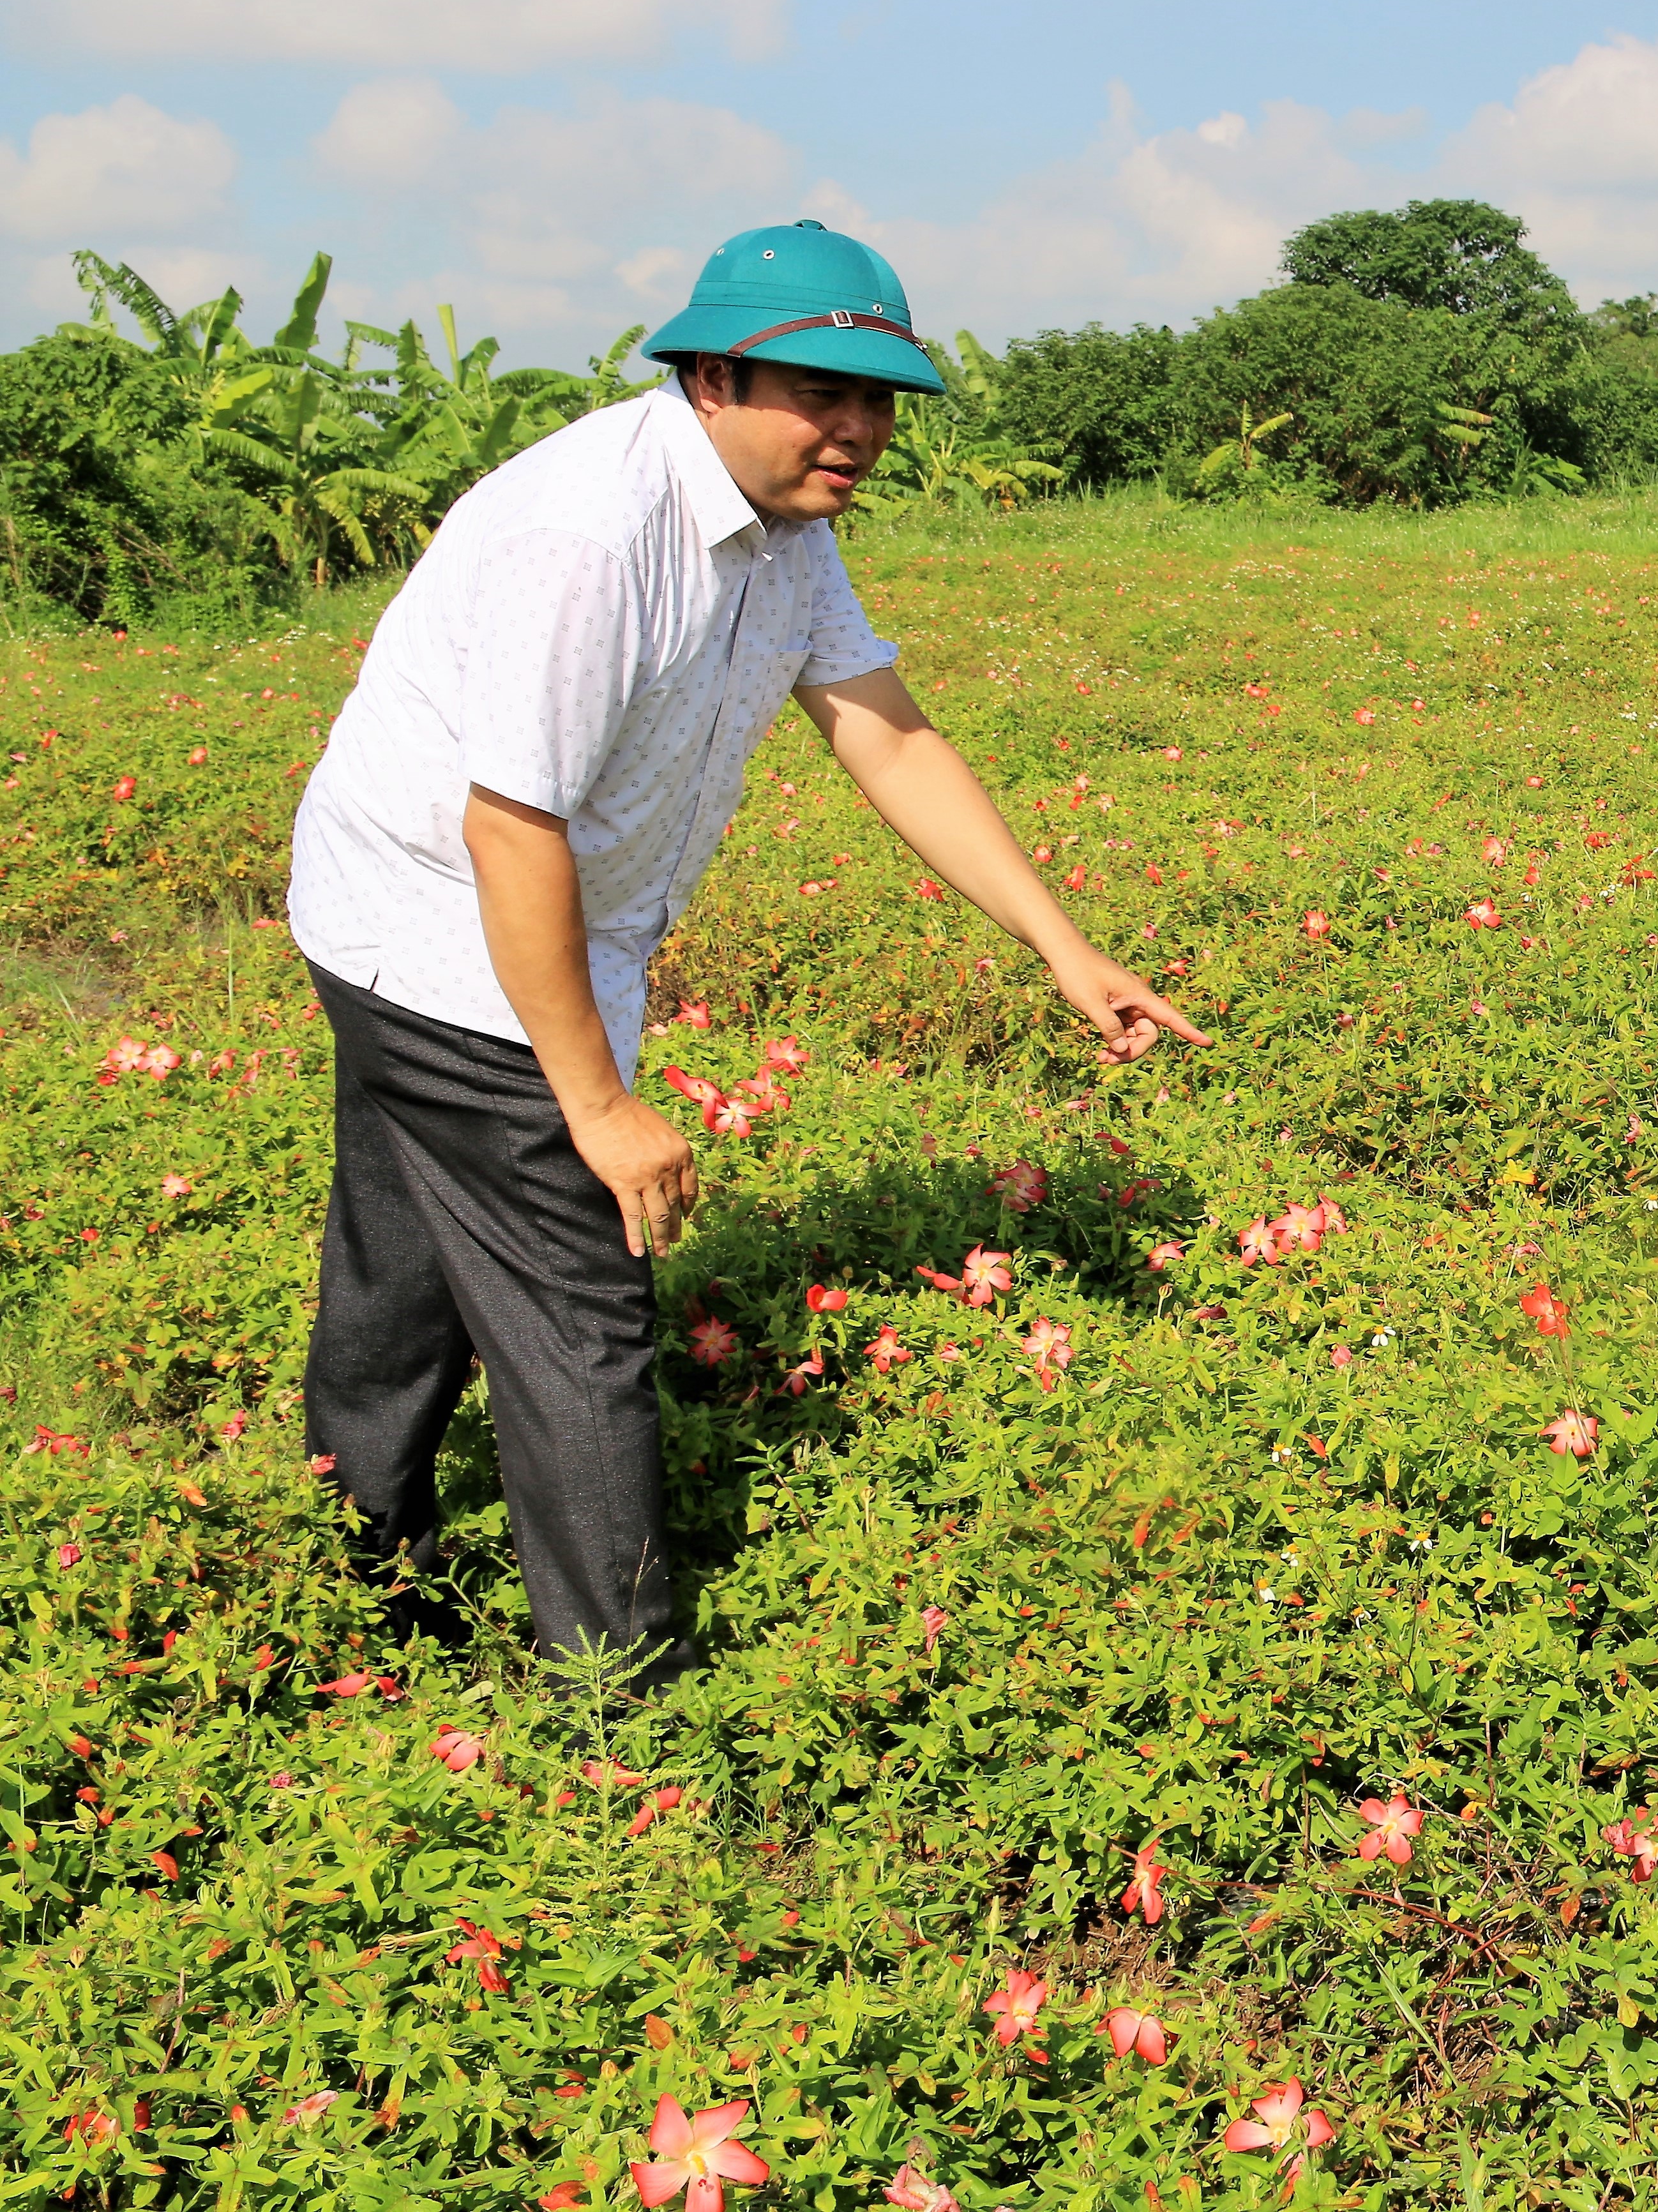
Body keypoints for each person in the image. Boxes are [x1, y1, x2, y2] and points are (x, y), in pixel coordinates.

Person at [285, 219, 1204, 1692]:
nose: (856, 431)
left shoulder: (788, 533)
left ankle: (350, 1556)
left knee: (404, 1262)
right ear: (709, 375)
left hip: (442, 923)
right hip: (446, 934)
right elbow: (510, 831)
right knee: (584, 1326)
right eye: (818, 393)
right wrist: (595, 1107)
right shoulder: (587, 540)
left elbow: (885, 733)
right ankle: (619, 1706)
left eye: (881, 398)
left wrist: (1063, 948)